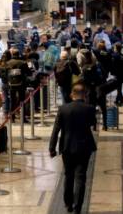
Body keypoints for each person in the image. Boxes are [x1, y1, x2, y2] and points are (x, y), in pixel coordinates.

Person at [49, 83, 97, 213]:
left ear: (71, 95)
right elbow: (93, 124)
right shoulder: (90, 108)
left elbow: (56, 130)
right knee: (81, 177)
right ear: (85, 95)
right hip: (84, 147)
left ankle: (68, 204)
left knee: (68, 175)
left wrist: (52, 148)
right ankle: (78, 207)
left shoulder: (63, 109)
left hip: (67, 146)